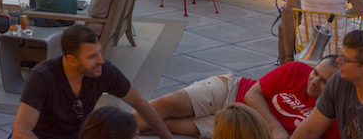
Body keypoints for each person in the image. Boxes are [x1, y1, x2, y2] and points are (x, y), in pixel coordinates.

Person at [11, 25, 172, 139]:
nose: (100, 60)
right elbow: (21, 131)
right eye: (91, 57)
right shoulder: (43, 77)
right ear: (71, 60)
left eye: (99, 52)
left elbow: (140, 104)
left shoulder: (103, 71)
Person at [138, 58, 340, 139]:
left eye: (323, 81)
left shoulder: (331, 116)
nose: (313, 81)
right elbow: (253, 93)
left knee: (169, 125)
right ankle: (111, 129)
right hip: (233, 91)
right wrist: (276, 128)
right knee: (167, 104)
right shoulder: (295, 70)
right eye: (315, 72)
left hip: (244, 126)